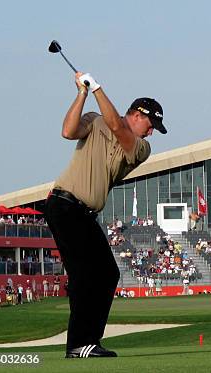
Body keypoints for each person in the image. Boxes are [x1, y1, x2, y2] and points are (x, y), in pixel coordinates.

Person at [44, 71, 167, 359]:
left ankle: (85, 342)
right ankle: (80, 343)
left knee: (105, 273)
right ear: (138, 114)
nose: (151, 132)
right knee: (85, 275)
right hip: (64, 205)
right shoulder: (95, 120)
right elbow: (68, 131)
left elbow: (117, 127)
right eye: (151, 124)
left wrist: (98, 88)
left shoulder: (140, 148)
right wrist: (82, 93)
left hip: (82, 213)